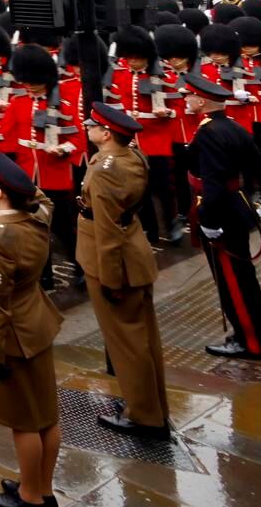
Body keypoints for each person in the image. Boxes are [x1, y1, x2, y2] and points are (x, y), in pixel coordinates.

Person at [0, 154, 63, 507]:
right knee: (45, 415)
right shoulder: (37, 216)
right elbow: (43, 199)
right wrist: (21, 187)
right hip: (36, 324)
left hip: (13, 337)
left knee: (24, 422)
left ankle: (29, 497)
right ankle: (42, 487)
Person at [77, 103, 170, 437]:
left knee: (128, 345)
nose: (88, 129)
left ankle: (145, 416)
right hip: (135, 251)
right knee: (143, 340)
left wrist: (111, 278)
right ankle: (152, 407)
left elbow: (107, 228)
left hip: (115, 264)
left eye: (92, 126)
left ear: (106, 133)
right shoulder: (133, 157)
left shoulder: (104, 170)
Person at [185, 70, 261, 360]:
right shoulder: (232, 126)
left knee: (234, 283)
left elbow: (213, 180)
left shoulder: (208, 132)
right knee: (243, 279)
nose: (186, 99)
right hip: (237, 205)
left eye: (189, 96)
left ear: (200, 102)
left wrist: (209, 221)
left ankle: (252, 344)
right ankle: (250, 336)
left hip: (221, 213)